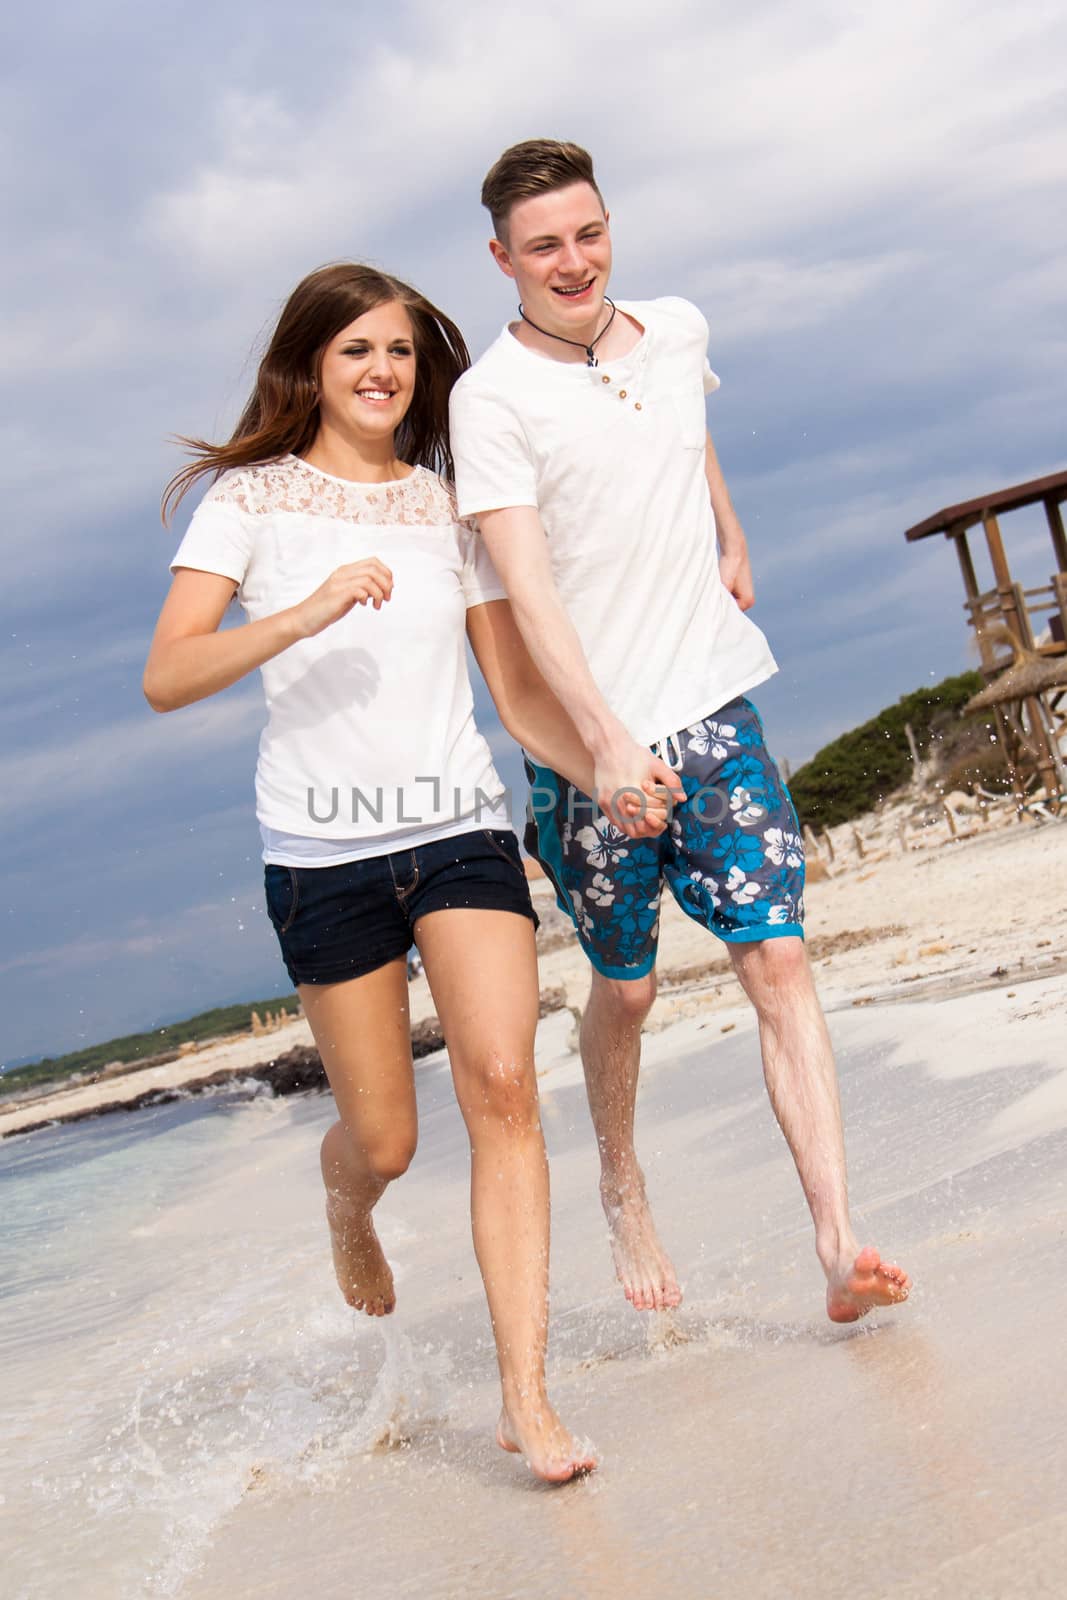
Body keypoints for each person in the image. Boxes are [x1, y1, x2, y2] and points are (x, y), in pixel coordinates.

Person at [144, 262, 668, 1480]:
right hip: (321, 851)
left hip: (457, 833)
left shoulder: (445, 502)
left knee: (499, 1082)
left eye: (399, 351)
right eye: (355, 352)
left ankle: (524, 1400)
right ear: (310, 367)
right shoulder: (251, 499)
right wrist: (304, 609)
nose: (383, 371)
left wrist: (602, 767)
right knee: (383, 1141)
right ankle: (347, 1206)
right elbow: (169, 675)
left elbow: (511, 688)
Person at [449, 140, 911, 1324]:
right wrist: (600, 745)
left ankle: (836, 1236)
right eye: (543, 245)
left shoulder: (677, 330)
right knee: (632, 988)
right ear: (500, 257)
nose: (573, 261)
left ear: (611, 226)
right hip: (589, 751)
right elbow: (524, 593)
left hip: (713, 705)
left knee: (781, 956)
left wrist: (726, 525)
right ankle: (619, 1175)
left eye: (588, 233)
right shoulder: (489, 401)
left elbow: (680, 424)